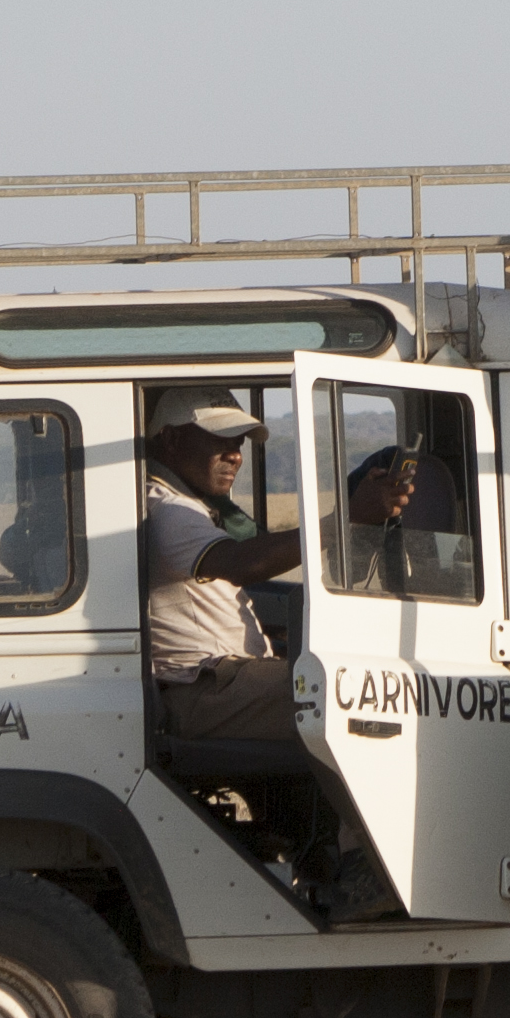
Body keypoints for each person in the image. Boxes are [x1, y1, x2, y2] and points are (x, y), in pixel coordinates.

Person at [143, 391, 416, 921]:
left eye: (239, 442)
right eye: (220, 440)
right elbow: (241, 563)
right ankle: (367, 868)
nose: (235, 455)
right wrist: (345, 523)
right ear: (172, 439)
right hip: (204, 693)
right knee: (358, 698)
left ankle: (324, 862)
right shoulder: (167, 509)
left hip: (224, 685)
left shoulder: (187, 506)